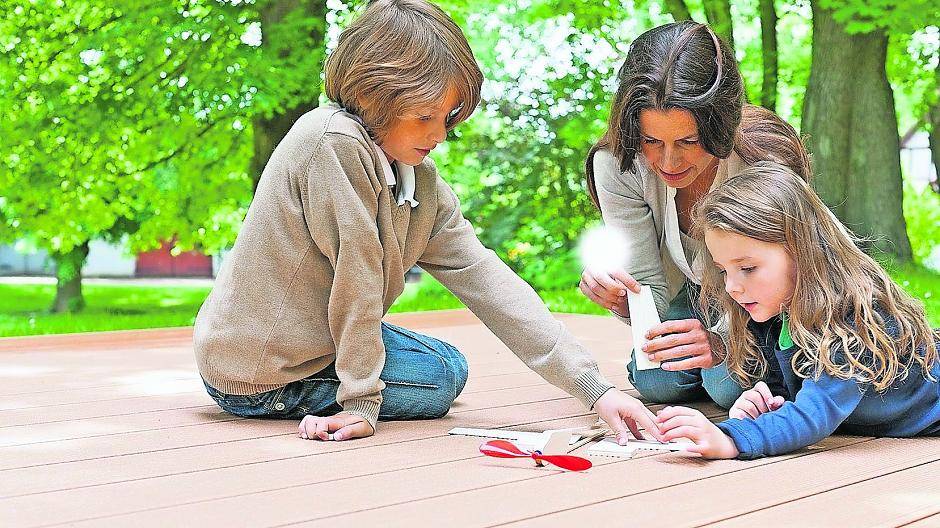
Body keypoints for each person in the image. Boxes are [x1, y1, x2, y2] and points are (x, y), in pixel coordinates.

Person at [194, 0, 662, 444]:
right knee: (439, 379)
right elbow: (357, 277)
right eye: (424, 118)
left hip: (308, 336)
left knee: (447, 366)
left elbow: (487, 279)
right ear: (369, 94)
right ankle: (292, 394)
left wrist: (594, 388)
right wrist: (360, 404)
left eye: (448, 119)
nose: (438, 135)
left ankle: (342, 374)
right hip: (254, 367)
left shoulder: (419, 180)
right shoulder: (331, 143)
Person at [581, 20, 811, 409]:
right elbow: (647, 288)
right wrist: (626, 303)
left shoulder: (765, 160)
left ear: (720, 123)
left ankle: (746, 369)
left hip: (771, 303)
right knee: (656, 380)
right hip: (694, 293)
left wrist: (724, 344)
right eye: (652, 141)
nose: (668, 162)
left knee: (727, 387)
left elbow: (795, 279)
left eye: (688, 141)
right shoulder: (618, 164)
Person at [656, 162, 940, 459]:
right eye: (723, 271)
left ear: (800, 250)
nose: (731, 287)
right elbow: (793, 389)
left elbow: (813, 416)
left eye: (747, 268)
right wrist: (764, 404)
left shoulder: (852, 316)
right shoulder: (778, 311)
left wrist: (732, 438)